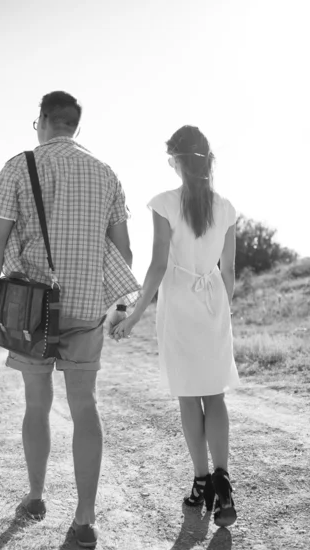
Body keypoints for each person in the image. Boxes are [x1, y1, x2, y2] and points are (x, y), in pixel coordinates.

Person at [0, 91, 140, 547]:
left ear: (43, 121)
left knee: (37, 403)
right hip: (87, 308)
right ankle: (85, 519)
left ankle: (35, 498)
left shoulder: (19, 166)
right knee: (85, 406)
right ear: (75, 125)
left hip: (31, 310)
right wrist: (114, 305)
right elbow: (124, 252)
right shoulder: (106, 174)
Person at [112, 125, 240, 527]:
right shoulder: (227, 207)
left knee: (189, 396)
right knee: (214, 395)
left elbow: (158, 265)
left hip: (181, 305)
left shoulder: (165, 203)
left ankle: (202, 481)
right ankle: (222, 479)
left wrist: (133, 314)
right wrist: (221, 310)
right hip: (214, 303)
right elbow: (230, 270)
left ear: (177, 162)